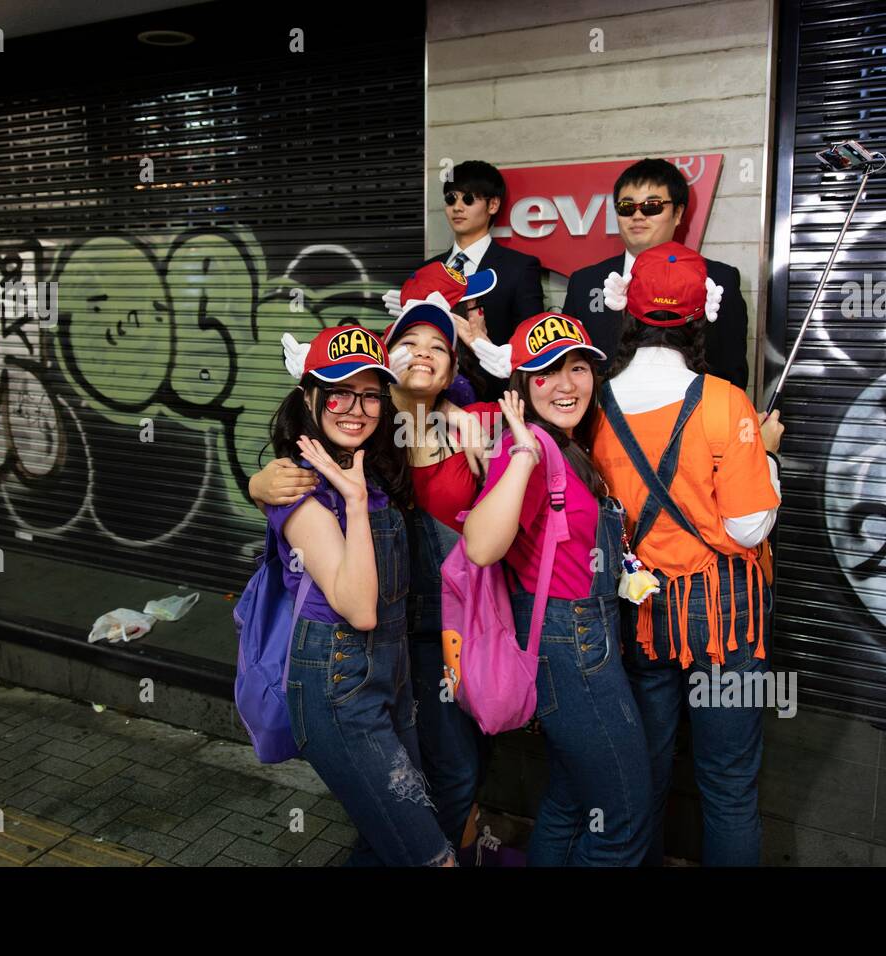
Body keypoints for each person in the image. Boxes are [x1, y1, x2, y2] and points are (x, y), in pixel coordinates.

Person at [251, 285, 501, 858]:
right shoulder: (312, 473)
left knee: (412, 810)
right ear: (310, 397)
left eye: (367, 395)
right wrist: (262, 485)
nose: (354, 408)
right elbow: (350, 594)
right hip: (352, 664)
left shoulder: (401, 443)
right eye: (337, 395)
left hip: (422, 652)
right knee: (415, 827)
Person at [589, 242, 784, 866]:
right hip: (727, 619)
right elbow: (751, 526)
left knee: (642, 774)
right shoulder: (726, 402)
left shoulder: (593, 404)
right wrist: (769, 455)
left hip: (641, 612)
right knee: (727, 783)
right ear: (701, 318)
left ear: (629, 315)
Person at [462, 311, 652, 866]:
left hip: (587, 639)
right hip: (569, 648)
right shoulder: (529, 449)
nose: (566, 385)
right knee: (625, 819)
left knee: (572, 801)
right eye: (545, 373)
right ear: (520, 386)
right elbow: (480, 546)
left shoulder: (567, 444)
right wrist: (520, 452)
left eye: (577, 368)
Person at [562, 158, 749, 389]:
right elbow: (568, 363)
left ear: (678, 213)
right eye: (626, 207)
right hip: (603, 418)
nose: (637, 216)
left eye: (652, 206)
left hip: (690, 417)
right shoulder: (584, 282)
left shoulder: (719, 279)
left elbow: (731, 372)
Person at [418, 160, 545, 398]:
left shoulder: (519, 268)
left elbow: (531, 345)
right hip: (429, 400)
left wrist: (486, 345)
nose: (457, 207)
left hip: (494, 399)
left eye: (468, 199)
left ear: (493, 204)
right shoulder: (428, 269)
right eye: (451, 199)